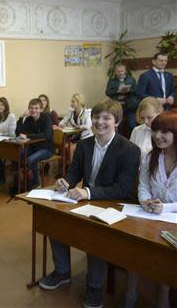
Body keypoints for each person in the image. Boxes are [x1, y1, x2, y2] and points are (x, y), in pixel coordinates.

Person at [39, 98, 141, 308]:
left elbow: (122, 188)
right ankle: (62, 271)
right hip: (86, 198)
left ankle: (94, 287)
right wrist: (65, 181)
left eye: (106, 118)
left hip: (114, 204)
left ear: (117, 122)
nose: (100, 122)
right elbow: (74, 171)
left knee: (94, 234)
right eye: (96, 117)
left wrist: (86, 191)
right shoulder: (84, 144)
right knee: (54, 220)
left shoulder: (129, 149)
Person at [121, 110, 177, 308]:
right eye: (155, 131)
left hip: (172, 219)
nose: (158, 136)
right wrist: (145, 201)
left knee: (165, 258)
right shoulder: (151, 157)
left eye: (165, 132)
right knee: (135, 248)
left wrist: (166, 208)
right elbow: (143, 185)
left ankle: (162, 301)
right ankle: (129, 295)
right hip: (150, 214)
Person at [13, 98, 53, 192]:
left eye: (36, 108)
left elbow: (46, 135)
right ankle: (23, 181)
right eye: (31, 108)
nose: (33, 110)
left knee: (30, 160)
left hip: (46, 149)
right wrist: (20, 118)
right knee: (18, 155)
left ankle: (36, 183)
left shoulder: (46, 118)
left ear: (41, 109)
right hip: (33, 147)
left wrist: (27, 135)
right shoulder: (28, 119)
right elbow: (18, 133)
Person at [59, 93, 93, 161]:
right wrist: (62, 124)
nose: (71, 103)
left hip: (86, 138)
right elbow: (63, 121)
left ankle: (73, 169)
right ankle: (67, 166)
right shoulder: (71, 112)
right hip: (76, 137)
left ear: (79, 102)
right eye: (71, 101)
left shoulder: (87, 112)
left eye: (73, 101)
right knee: (65, 146)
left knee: (71, 149)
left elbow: (89, 126)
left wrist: (79, 127)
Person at [105, 63, 139, 131]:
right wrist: (117, 90)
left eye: (122, 71)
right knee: (117, 124)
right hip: (117, 105)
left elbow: (137, 91)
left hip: (129, 105)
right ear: (115, 72)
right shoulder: (112, 81)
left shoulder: (131, 79)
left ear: (125, 71)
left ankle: (134, 137)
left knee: (132, 123)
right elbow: (107, 92)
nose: (120, 73)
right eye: (118, 71)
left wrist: (129, 90)